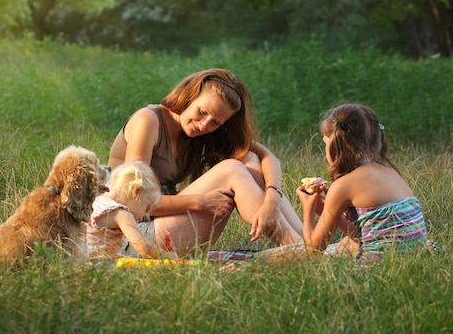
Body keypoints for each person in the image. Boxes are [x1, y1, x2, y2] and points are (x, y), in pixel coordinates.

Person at [109, 68, 303, 257]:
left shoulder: (200, 133)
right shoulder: (148, 120)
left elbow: (269, 159)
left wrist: (272, 199)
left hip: (166, 229)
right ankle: (300, 248)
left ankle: (306, 241)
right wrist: (201, 202)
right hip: (132, 237)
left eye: (216, 123)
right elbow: (134, 200)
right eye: (202, 112)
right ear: (189, 95)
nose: (204, 125)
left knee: (249, 159)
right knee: (232, 169)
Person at [296, 103, 428, 265]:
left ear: (340, 143)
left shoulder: (343, 186)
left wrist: (308, 209)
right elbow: (366, 236)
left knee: (299, 254)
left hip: (375, 272)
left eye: (326, 143)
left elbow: (313, 251)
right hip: (412, 265)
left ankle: (258, 259)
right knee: (346, 243)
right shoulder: (391, 173)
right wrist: (327, 209)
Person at [86, 161, 178, 261]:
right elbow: (145, 248)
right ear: (136, 191)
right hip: (99, 266)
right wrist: (169, 256)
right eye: (146, 208)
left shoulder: (97, 201)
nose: (143, 216)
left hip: (81, 263)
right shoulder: (121, 213)